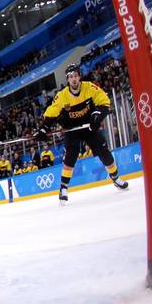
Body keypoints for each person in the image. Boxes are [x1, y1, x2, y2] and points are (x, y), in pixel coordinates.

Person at [36, 63, 129, 203]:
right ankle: (63, 188)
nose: (73, 79)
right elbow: (51, 113)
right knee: (70, 156)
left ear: (79, 76)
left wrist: (97, 115)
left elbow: (104, 102)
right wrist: (44, 128)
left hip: (89, 126)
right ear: (67, 79)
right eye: (70, 77)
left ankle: (116, 178)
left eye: (75, 76)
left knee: (103, 151)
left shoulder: (89, 87)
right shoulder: (62, 96)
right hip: (71, 129)